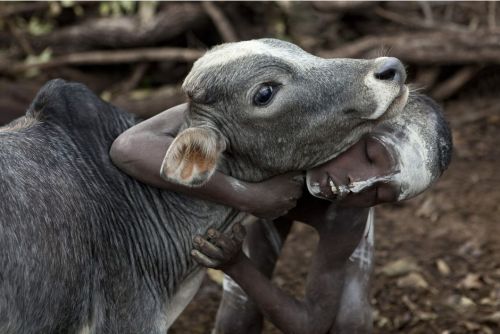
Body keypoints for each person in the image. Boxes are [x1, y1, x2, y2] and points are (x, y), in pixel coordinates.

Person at [110, 94, 452, 333]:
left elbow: (311, 324)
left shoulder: (348, 215)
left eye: (379, 194)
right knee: (236, 322)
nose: (357, 186)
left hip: (297, 205)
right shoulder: (281, 110)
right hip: (262, 190)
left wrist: (236, 266)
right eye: (369, 154)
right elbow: (131, 148)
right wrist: (249, 196)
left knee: (350, 324)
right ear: (357, 123)